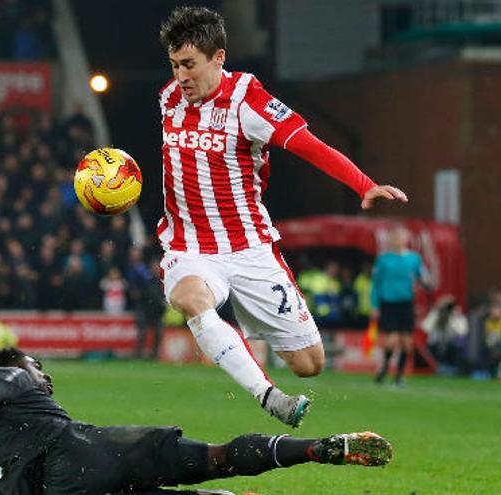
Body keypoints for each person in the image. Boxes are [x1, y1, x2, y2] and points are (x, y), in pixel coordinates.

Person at [155, 6, 408, 427]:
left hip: (250, 246)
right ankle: (269, 396)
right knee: (192, 302)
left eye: (189, 65)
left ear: (218, 57)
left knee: (310, 364)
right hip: (189, 246)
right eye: (175, 65)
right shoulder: (168, 98)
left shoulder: (248, 103)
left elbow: (309, 145)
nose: (181, 76)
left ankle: (260, 341)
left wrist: (364, 184)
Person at [0, 347, 393, 495]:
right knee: (215, 458)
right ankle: (316, 448)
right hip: (85, 452)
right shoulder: (9, 375)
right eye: (37, 363)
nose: (44, 373)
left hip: (66, 488)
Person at [371, 227, 431, 386]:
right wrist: (375, 305)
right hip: (389, 303)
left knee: (406, 342)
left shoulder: (414, 259)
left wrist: (427, 282)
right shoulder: (383, 260)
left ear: (406, 239)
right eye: (394, 236)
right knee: (391, 340)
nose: (397, 239)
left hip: (406, 303)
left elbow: (423, 277)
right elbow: (375, 284)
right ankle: (384, 368)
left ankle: (399, 376)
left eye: (400, 236)